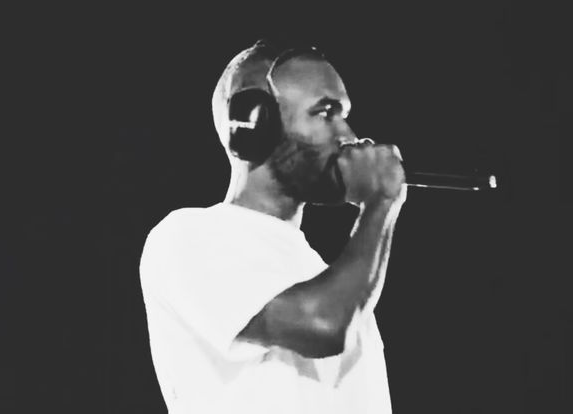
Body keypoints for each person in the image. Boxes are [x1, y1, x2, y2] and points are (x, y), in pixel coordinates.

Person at [139, 39, 406, 414]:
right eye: (326, 113)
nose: (348, 136)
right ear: (254, 123)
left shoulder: (325, 274)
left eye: (344, 114)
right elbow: (322, 325)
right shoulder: (186, 237)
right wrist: (380, 203)